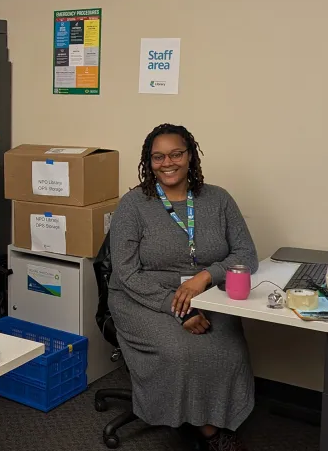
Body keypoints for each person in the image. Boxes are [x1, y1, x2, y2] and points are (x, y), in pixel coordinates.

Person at [108, 123, 258, 451]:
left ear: (190, 155)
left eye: (176, 153)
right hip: (143, 297)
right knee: (180, 352)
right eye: (157, 156)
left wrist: (205, 277)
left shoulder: (218, 199)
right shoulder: (132, 205)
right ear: (149, 162)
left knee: (229, 349)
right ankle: (209, 431)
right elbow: (126, 273)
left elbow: (247, 254)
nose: (168, 162)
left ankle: (211, 415)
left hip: (206, 295)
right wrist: (179, 310)